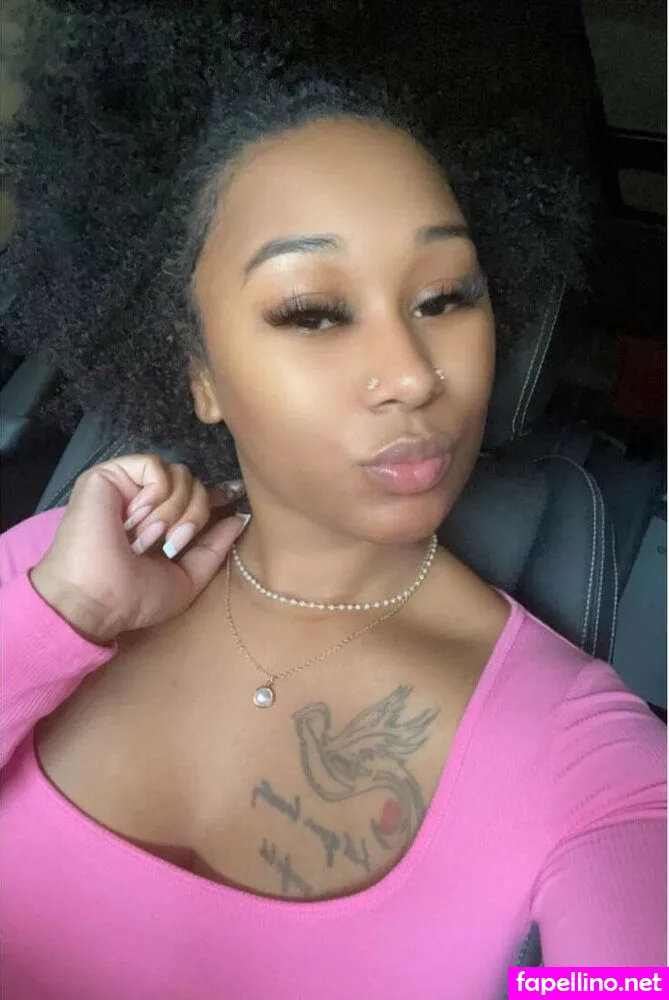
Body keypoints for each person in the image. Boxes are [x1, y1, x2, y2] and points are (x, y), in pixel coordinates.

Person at [1, 10, 666, 999]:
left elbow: (627, 978)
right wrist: (68, 616)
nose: (413, 374)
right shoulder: (54, 568)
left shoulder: (588, 757)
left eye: (446, 297)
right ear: (198, 372)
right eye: (313, 311)